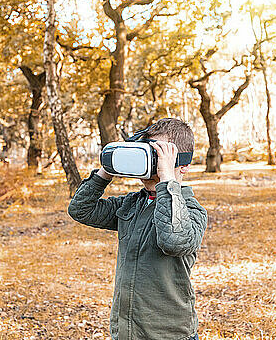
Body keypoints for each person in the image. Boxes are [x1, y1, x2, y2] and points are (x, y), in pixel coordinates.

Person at [68, 118, 208, 340]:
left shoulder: (193, 211)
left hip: (169, 334)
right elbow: (80, 210)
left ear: (183, 164)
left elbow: (174, 240)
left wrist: (167, 179)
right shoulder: (132, 204)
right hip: (126, 331)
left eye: (158, 154)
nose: (150, 161)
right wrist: (107, 171)